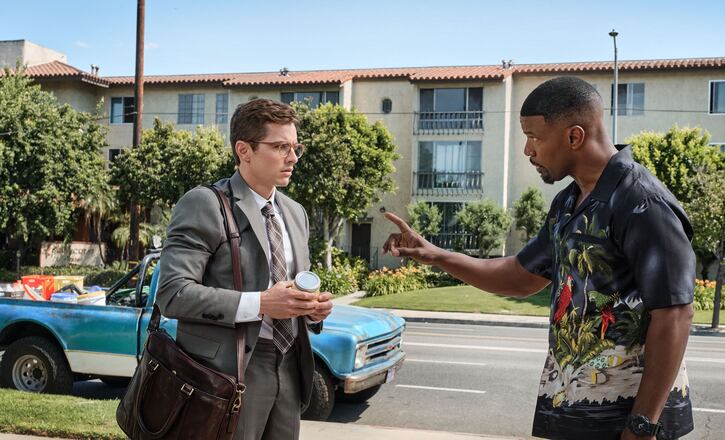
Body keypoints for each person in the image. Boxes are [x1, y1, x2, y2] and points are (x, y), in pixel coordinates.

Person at [383, 77, 695, 440]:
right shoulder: (569, 202)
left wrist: (641, 426)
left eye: (534, 137)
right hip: (572, 411)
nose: (527, 150)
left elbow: (674, 313)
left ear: (574, 137)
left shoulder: (641, 202)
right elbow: (520, 276)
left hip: (625, 422)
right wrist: (436, 255)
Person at [157, 98, 333, 440]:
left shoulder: (295, 213)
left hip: (290, 364)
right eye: (281, 146)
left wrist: (313, 309)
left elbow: (297, 286)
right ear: (244, 150)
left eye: (295, 147)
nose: (293, 158)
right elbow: (173, 294)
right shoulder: (204, 203)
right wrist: (262, 304)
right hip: (227, 371)